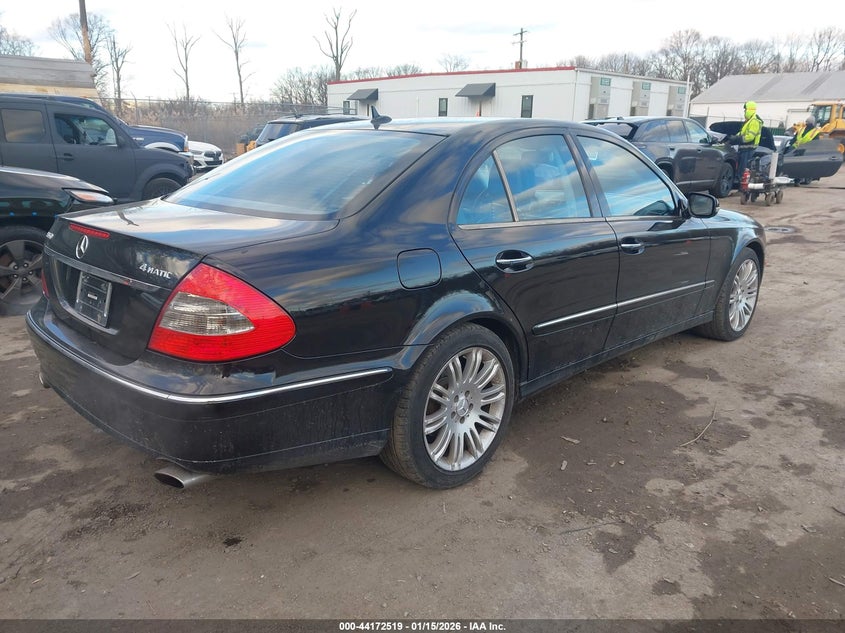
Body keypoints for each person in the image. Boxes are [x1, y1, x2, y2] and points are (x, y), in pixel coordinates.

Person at [729, 101, 764, 179]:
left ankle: (741, 186)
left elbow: (750, 136)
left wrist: (738, 139)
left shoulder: (754, 121)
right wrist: (734, 137)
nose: (744, 112)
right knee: (741, 167)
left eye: (745, 110)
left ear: (749, 110)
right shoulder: (750, 120)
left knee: (742, 169)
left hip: (748, 148)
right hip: (745, 148)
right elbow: (742, 132)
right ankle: (739, 184)